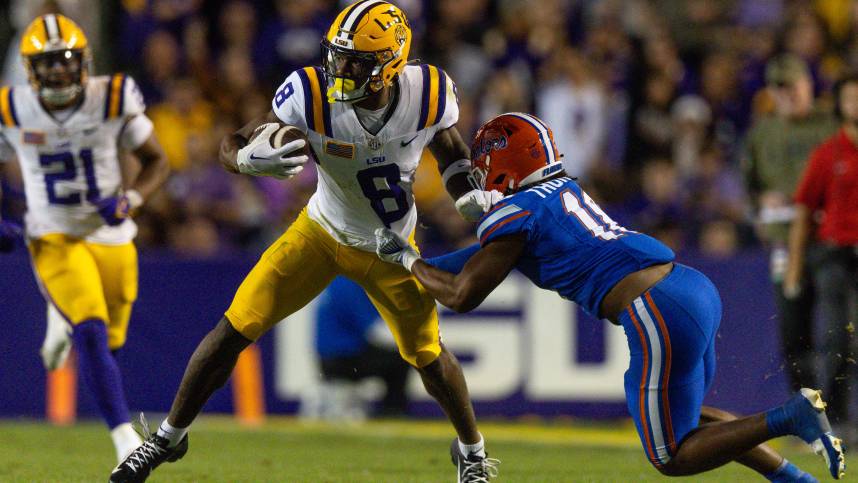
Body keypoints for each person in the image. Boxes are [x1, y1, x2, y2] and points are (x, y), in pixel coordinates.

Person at [111, 2, 501, 482]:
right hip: (319, 231)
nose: (339, 69)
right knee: (234, 328)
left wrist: (466, 194)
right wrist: (248, 161)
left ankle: (472, 452)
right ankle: (168, 439)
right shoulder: (311, 93)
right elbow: (232, 142)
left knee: (429, 356)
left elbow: (453, 153)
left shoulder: (428, 94)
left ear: (389, 68)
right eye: (337, 56)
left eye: (355, 61)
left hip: (390, 246)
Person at [375, 112, 846, 481]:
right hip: (689, 286)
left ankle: (791, 417)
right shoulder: (555, 192)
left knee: (670, 455)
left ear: (501, 166)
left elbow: (460, 294)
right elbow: (464, 267)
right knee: (688, 419)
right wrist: (407, 264)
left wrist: (404, 260)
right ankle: (792, 478)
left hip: (656, 308)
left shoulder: (516, 217)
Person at [0, 14, 169, 462]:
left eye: (66, 60)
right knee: (91, 332)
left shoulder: (111, 97)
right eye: (48, 63)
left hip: (110, 233)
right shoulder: (12, 108)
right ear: (30, 69)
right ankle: (124, 441)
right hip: (52, 233)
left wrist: (130, 199)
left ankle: (61, 316)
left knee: (110, 343)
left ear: (84, 62)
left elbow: (157, 161)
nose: (58, 71)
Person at [741, 54, 838, 393]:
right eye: (779, 89)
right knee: (793, 331)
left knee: (838, 329)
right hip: (784, 242)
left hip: (831, 241)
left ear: (807, 84)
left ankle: (841, 410)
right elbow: (749, 190)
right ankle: (806, 410)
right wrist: (761, 202)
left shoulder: (833, 125)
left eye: (792, 87)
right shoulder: (762, 134)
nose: (788, 95)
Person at [784, 73, 858, 434]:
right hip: (834, 256)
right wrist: (794, 269)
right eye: (851, 98)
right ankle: (838, 419)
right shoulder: (828, 154)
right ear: (841, 106)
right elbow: (802, 212)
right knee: (836, 337)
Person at [311, 276, 411, 419]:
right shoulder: (352, 283)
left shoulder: (335, 280)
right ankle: (393, 412)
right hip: (343, 359)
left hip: (329, 359)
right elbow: (373, 332)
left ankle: (392, 411)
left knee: (393, 357)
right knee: (401, 360)